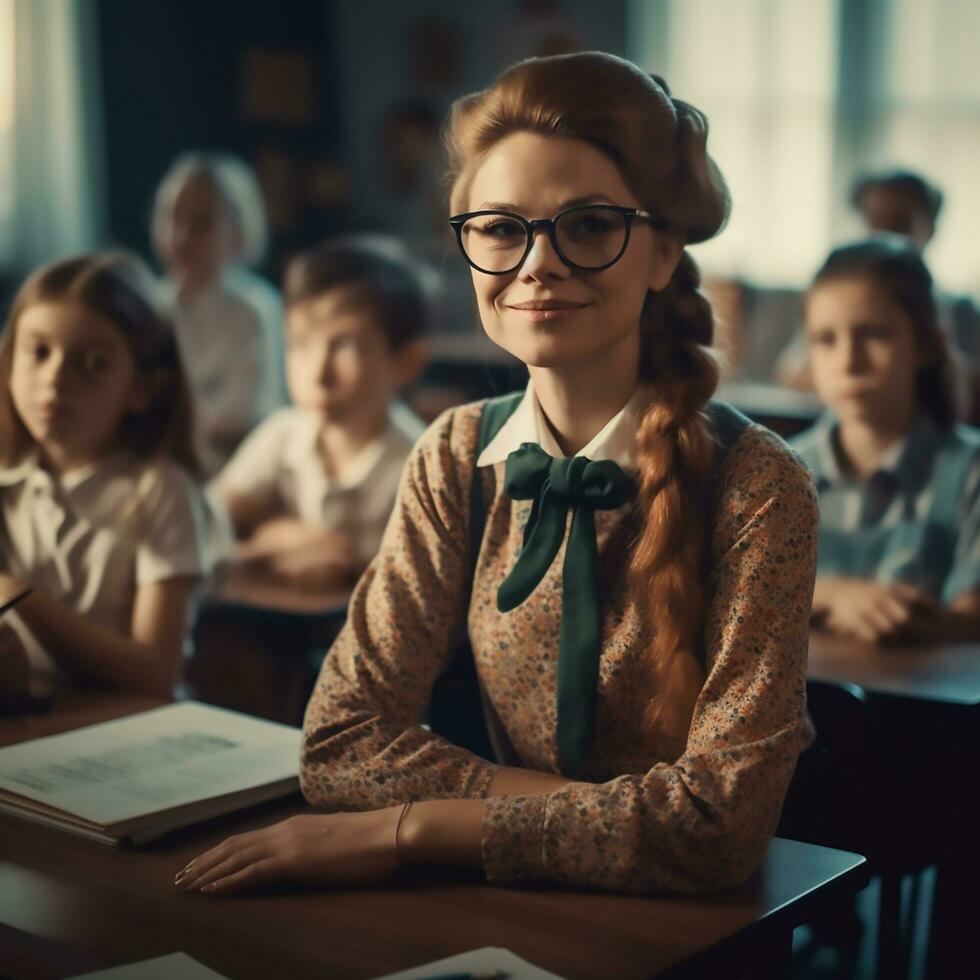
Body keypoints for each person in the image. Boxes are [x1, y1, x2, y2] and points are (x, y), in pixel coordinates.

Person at [175, 51, 817, 897]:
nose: (536, 264)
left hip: (689, 932)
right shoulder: (454, 455)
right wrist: (587, 818)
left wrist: (416, 826)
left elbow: (714, 832)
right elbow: (338, 742)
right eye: (501, 228)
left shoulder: (757, 485)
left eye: (589, 225)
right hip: (500, 905)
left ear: (662, 253)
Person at [0, 253, 209, 704]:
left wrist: (21, 597)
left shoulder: (160, 490)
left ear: (143, 389)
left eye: (92, 364)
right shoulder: (6, 483)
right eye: (38, 352)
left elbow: (155, 673)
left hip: (133, 729)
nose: (54, 379)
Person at [210, 236, 429, 591]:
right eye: (300, 344)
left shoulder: (420, 465)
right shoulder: (283, 434)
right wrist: (277, 535)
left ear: (405, 361)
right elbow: (204, 521)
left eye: (344, 345)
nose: (318, 373)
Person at [790, 237, 980, 644]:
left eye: (874, 334)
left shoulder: (969, 473)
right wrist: (833, 595)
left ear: (926, 345)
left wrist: (895, 616)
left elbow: (970, 619)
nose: (848, 362)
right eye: (826, 339)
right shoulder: (780, 471)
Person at [153, 152, 288, 476]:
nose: (181, 236)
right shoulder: (153, 304)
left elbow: (245, 419)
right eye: (174, 218)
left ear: (238, 231)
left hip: (238, 467)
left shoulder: (254, 309)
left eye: (202, 224)